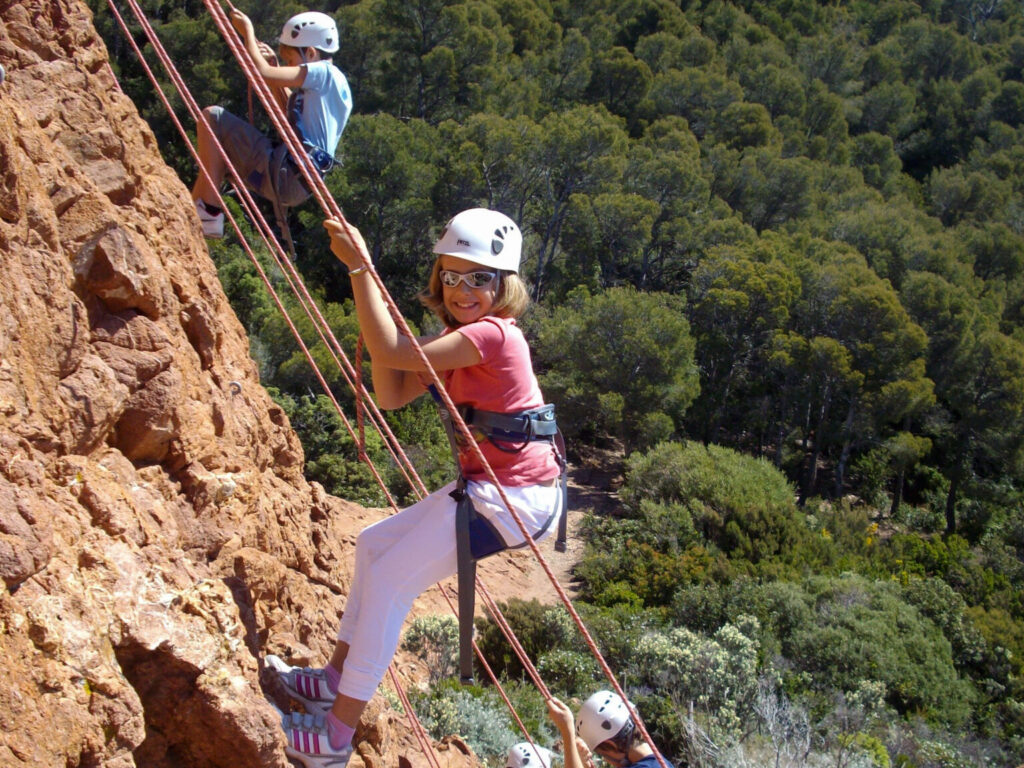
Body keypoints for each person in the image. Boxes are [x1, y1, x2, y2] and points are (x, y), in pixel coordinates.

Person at [266, 208, 565, 768]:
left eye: (479, 278)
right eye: (451, 277)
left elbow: (392, 359)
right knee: (372, 547)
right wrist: (378, 319)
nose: (463, 290)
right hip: (491, 488)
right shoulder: (458, 339)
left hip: (514, 499)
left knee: (387, 584)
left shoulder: (493, 337)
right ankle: (333, 682)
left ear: (505, 285)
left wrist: (362, 275)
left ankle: (334, 738)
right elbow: (391, 392)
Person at [192, 9, 352, 239]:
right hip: (296, 181)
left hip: (288, 172)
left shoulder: (323, 73)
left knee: (213, 118)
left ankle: (208, 214)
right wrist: (275, 64)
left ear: (311, 52)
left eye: (291, 60)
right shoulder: (336, 84)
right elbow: (290, 115)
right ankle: (193, 219)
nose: (290, 66)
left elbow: (261, 74)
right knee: (215, 158)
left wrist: (248, 33)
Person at [546, 692, 674, 768]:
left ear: (611, 744)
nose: (607, 761)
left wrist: (567, 734)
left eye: (602, 754)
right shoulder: (660, 762)